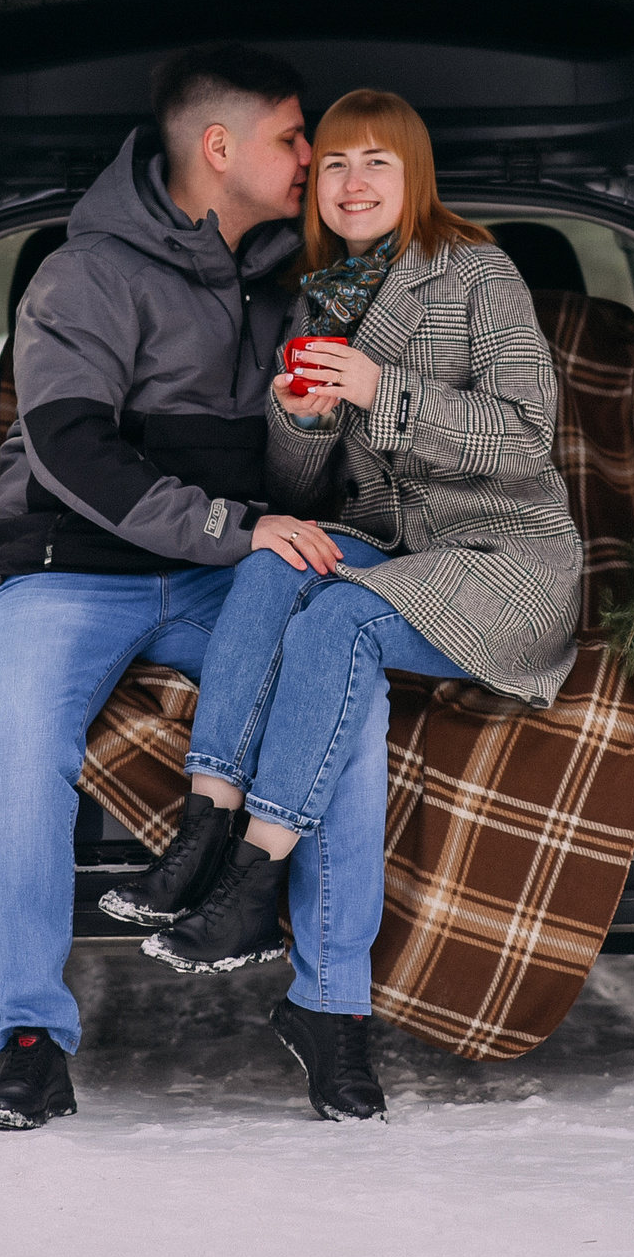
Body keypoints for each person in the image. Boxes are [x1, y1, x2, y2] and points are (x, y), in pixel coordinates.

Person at [102, 88, 582, 1122]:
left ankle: (250, 882)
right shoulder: (317, 293)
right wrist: (300, 418)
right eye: (335, 166)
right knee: (275, 565)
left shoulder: (477, 274)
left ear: (415, 182)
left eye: (379, 164)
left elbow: (524, 439)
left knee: (339, 618)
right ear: (313, 185)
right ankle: (202, 829)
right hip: (394, 546)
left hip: (501, 556)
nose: (355, 184)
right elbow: (309, 498)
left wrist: (381, 388)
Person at [0, 43, 344, 1132]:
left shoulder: (291, 281)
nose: (312, 157)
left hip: (215, 572)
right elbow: (72, 451)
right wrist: (235, 527)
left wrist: (309, 437)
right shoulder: (84, 277)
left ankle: (327, 1004)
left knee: (337, 673)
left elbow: (296, 469)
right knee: (24, 756)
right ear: (218, 149)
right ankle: (30, 1041)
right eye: (291, 136)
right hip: (63, 570)